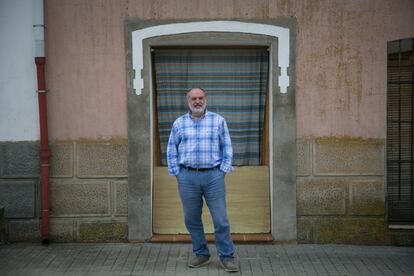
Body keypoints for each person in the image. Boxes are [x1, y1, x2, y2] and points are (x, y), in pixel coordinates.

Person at [166, 87, 239, 272]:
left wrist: (222, 171)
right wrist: (177, 173)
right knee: (191, 219)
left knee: (221, 219)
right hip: (187, 176)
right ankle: (201, 254)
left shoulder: (218, 121)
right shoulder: (179, 123)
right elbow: (171, 150)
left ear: (205, 99)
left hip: (213, 176)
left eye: (200, 98)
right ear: (188, 101)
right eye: (193, 98)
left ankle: (227, 256)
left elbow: (227, 148)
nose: (197, 101)